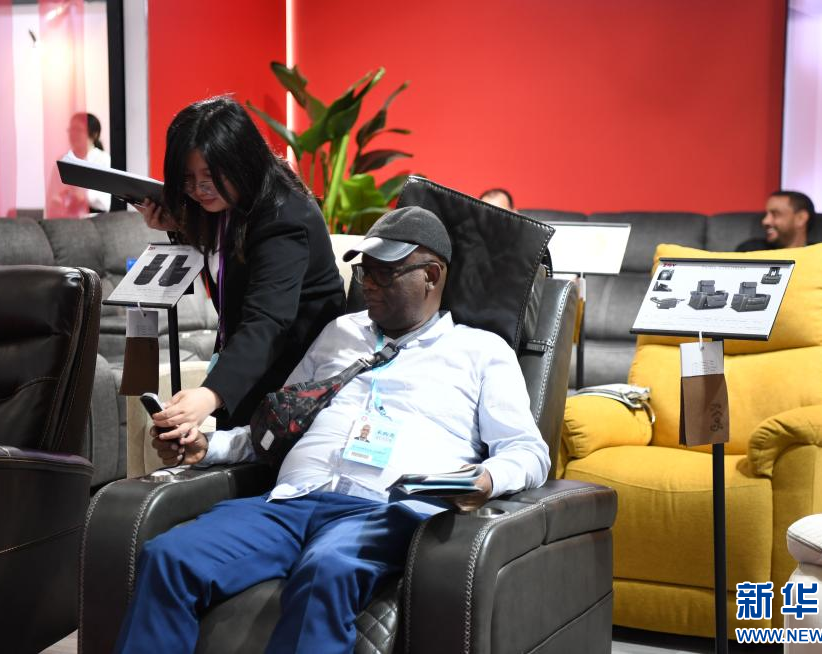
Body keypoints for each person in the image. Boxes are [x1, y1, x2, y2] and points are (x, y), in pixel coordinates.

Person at [117, 206, 550, 653]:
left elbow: (528, 451)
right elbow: (280, 425)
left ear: (432, 276)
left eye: (384, 273)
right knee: (169, 557)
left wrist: (485, 480)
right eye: (364, 272)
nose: (368, 284)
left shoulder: (481, 352)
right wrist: (208, 446)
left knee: (326, 569)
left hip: (380, 511)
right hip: (291, 502)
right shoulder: (340, 333)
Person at [139, 96, 346, 441]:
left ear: (241, 161)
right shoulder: (226, 201)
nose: (199, 190)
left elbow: (268, 320)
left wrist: (211, 393)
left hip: (297, 382)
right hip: (252, 370)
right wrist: (177, 225)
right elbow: (227, 259)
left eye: (209, 177)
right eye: (188, 179)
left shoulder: (283, 216)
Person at [737, 190, 822, 286]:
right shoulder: (750, 251)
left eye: (775, 214)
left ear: (800, 218)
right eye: (766, 214)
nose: (765, 221)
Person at [49, 112, 112, 216]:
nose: (73, 134)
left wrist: (82, 195)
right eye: (71, 130)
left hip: (94, 219)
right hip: (65, 219)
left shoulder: (103, 159)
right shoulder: (62, 160)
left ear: (94, 134)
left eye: (78, 130)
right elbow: (53, 195)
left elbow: (104, 202)